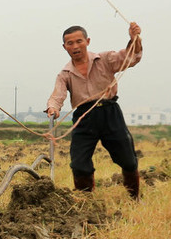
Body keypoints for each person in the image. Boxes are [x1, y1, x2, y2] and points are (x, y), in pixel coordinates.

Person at [45, 22, 143, 198]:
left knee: (128, 160)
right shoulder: (65, 74)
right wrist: (53, 108)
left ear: (87, 41)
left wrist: (134, 38)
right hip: (84, 118)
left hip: (110, 112)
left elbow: (131, 57)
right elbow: (57, 95)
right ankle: (86, 201)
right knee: (79, 163)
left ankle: (134, 198)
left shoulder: (105, 59)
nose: (75, 46)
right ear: (64, 47)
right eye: (70, 43)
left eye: (79, 41)